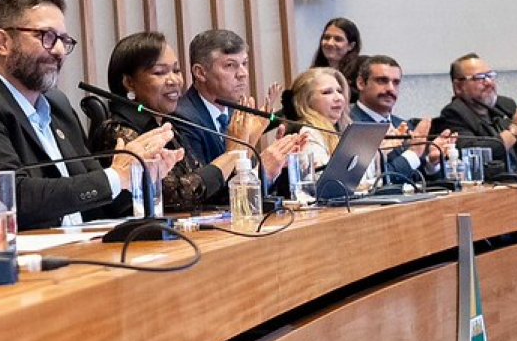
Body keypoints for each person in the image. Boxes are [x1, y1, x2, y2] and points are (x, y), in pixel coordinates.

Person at [0, 0, 179, 230]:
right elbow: (9, 199)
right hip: (20, 258)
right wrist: (116, 176)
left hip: (81, 249)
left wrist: (141, 173)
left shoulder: (59, 109)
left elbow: (99, 200)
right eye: (47, 36)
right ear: (3, 42)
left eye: (64, 40)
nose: (59, 51)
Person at [90, 32, 303, 212]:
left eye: (176, 70)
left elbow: (211, 193)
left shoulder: (164, 125)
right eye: (159, 72)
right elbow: (183, 194)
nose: (174, 80)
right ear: (129, 82)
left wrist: (255, 155)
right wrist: (235, 153)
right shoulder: (119, 132)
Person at [174, 28, 282, 164]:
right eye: (230, 65)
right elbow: (202, 183)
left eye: (244, 63)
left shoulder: (236, 113)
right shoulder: (183, 118)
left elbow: (248, 177)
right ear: (200, 73)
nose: (243, 74)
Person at [434, 53, 517, 172]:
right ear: (458, 87)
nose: (489, 82)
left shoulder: (505, 105)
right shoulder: (452, 115)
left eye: (490, 75)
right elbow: (474, 153)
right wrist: (514, 131)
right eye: (479, 78)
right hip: (492, 185)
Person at [350, 55, 455, 183]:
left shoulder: (402, 125)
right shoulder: (349, 125)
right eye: (382, 81)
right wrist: (413, 154)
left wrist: (431, 163)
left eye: (396, 82)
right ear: (361, 83)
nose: (390, 88)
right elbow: (371, 182)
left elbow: (418, 179)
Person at [290, 67, 352, 167]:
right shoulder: (308, 133)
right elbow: (320, 178)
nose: (338, 98)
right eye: (327, 92)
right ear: (306, 100)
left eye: (339, 91)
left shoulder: (342, 129)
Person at [310, 17, 363, 96]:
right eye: (326, 38)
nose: (330, 43)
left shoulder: (361, 69)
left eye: (338, 39)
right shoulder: (314, 73)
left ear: (351, 46)